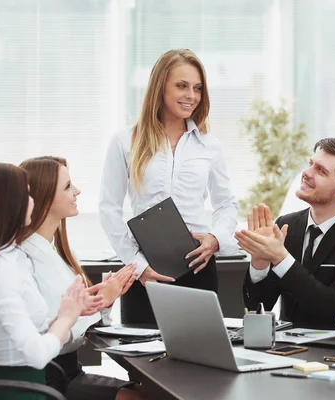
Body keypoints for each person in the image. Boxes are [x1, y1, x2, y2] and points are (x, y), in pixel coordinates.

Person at [99, 49, 238, 324]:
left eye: (198, 88)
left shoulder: (210, 145)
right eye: (182, 86)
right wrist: (138, 266)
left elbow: (226, 204)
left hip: (198, 268)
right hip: (143, 272)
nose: (191, 96)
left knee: (199, 359)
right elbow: (108, 208)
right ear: (160, 86)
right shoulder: (125, 141)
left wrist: (215, 239)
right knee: (141, 362)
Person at [19, 156, 144, 400]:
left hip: (69, 372)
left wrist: (104, 300)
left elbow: (76, 322)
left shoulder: (60, 251)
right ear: (44, 197)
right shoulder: (24, 258)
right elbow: (48, 335)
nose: (77, 191)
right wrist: (101, 303)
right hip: (49, 378)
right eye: (67, 187)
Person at [0, 162, 103, 400]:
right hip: (15, 391)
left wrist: (70, 313)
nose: (32, 200)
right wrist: (66, 318)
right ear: (9, 203)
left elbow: (34, 328)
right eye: (26, 194)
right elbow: (35, 354)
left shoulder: (12, 257)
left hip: (31, 384)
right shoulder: (0, 271)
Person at [237, 138, 335, 329]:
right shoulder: (286, 225)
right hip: (284, 346)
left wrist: (280, 258)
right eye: (310, 164)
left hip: (334, 351)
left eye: (320, 171)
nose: (306, 173)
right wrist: (260, 261)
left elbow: (334, 309)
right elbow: (258, 307)